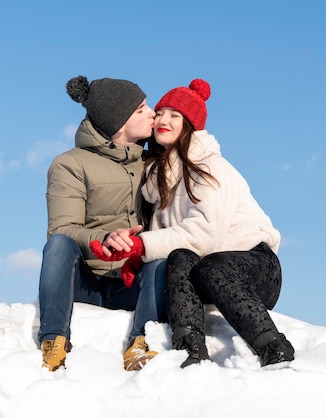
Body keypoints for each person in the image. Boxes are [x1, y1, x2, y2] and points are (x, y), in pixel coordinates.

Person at [124, 78, 295, 368]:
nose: (163, 120)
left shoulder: (210, 167)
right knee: (179, 256)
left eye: (175, 116)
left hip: (254, 270)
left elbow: (204, 235)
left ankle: (273, 347)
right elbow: (174, 242)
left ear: (190, 124)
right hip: (205, 274)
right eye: (161, 113)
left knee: (212, 263)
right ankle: (190, 350)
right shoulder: (159, 178)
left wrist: (142, 246)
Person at [37, 75, 166, 372]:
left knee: (162, 261)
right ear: (119, 123)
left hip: (133, 283)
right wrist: (105, 237)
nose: (152, 113)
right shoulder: (70, 163)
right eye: (141, 109)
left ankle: (140, 342)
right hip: (87, 282)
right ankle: (53, 339)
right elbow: (63, 228)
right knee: (58, 244)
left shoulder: (153, 163)